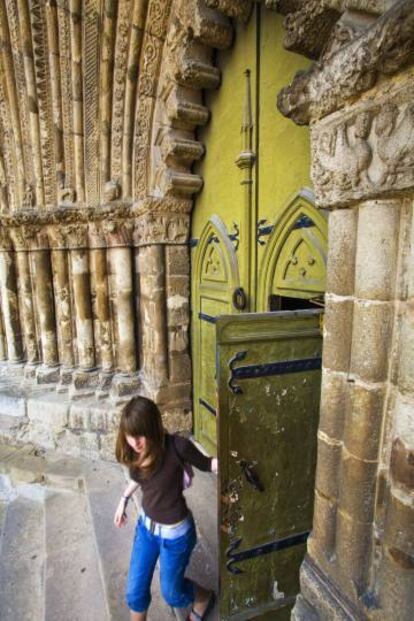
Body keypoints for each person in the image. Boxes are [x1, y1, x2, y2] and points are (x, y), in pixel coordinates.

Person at [114, 396, 218, 621]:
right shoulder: (133, 451)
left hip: (176, 536)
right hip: (146, 529)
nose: (135, 442)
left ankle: (204, 598)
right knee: (134, 593)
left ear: (153, 427)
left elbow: (208, 464)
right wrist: (123, 499)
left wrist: (234, 460)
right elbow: (141, 477)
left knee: (173, 594)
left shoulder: (177, 447)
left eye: (140, 434)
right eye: (130, 435)